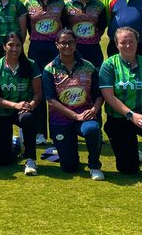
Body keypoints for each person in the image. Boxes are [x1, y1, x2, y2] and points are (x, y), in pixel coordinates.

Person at [98, 27, 142, 182]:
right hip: (120, 118)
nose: (128, 45)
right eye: (123, 42)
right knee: (127, 170)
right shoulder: (109, 65)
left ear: (137, 42)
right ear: (116, 44)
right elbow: (109, 97)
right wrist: (131, 115)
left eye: (131, 41)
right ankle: (133, 154)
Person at [42, 29, 105, 179]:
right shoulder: (49, 69)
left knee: (92, 130)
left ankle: (94, 164)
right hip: (60, 120)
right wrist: (74, 116)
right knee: (69, 167)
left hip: (85, 115)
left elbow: (99, 95)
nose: (67, 46)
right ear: (57, 45)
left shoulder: (88, 67)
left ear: (76, 44)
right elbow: (51, 100)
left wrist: (94, 110)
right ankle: (67, 154)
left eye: (70, 42)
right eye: (63, 43)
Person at [0, 32, 45, 173]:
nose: (14, 49)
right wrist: (15, 105)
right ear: (4, 46)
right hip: (1, 112)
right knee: (3, 161)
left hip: (23, 111)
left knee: (28, 118)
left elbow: (38, 93)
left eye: (18, 45)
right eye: (11, 45)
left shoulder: (31, 65)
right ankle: (16, 145)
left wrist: (31, 105)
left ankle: (31, 159)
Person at [25, 0, 66, 71]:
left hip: (54, 45)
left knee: (56, 75)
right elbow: (27, 26)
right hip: (36, 46)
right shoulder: (28, 3)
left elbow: (64, 23)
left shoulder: (60, 2)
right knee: (36, 76)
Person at [64, 0, 107, 68]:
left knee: (95, 75)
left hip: (93, 48)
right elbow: (63, 25)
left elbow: (102, 25)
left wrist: (96, 38)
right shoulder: (66, 5)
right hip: (74, 48)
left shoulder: (99, 5)